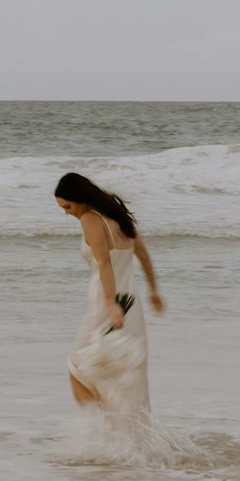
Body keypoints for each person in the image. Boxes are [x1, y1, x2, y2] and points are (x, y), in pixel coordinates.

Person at [54, 172, 164, 418]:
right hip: (130, 302)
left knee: (78, 367)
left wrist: (109, 303)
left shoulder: (90, 219)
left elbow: (104, 264)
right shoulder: (119, 217)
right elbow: (143, 256)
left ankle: (98, 431)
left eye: (68, 206)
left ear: (80, 199)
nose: (67, 212)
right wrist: (154, 292)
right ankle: (116, 432)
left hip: (107, 301)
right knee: (119, 371)